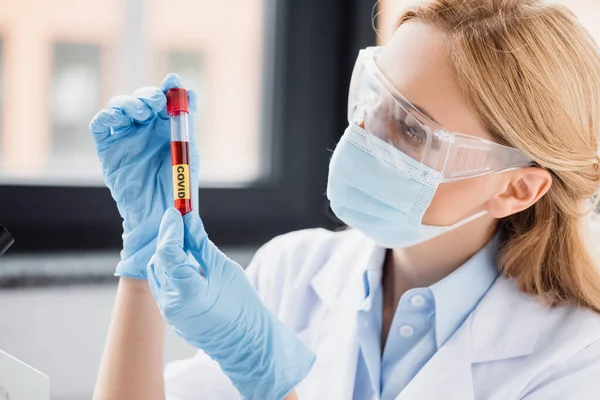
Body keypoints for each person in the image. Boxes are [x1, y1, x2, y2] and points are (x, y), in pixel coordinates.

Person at [91, 0, 600, 399]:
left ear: (514, 188)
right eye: (375, 97)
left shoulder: (576, 360)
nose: (363, 134)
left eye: (413, 129)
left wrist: (266, 377)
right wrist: (144, 259)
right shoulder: (292, 269)